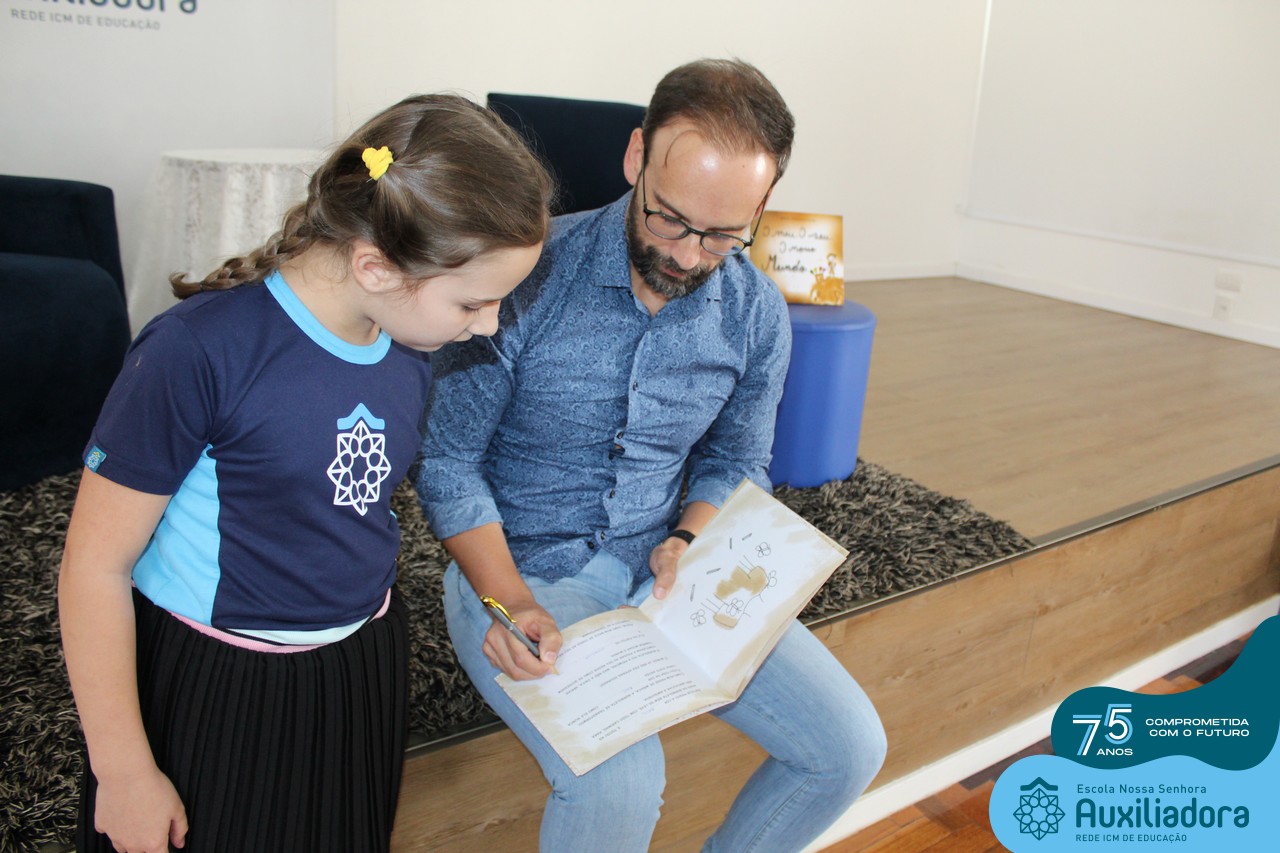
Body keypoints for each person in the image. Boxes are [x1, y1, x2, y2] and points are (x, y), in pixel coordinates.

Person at [58, 93, 553, 853]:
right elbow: (93, 566)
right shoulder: (197, 351)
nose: (487, 326)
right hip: (220, 678)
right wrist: (123, 770)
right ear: (376, 266)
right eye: (473, 303)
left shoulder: (406, 345)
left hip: (359, 662)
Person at [417, 59, 887, 852]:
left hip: (668, 576)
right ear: (637, 157)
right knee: (619, 782)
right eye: (670, 219)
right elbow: (446, 463)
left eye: (723, 235)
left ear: (761, 206)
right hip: (523, 566)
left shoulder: (754, 311)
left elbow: (738, 458)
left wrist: (691, 537)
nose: (690, 255)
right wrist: (510, 601)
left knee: (848, 748)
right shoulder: (528, 273)